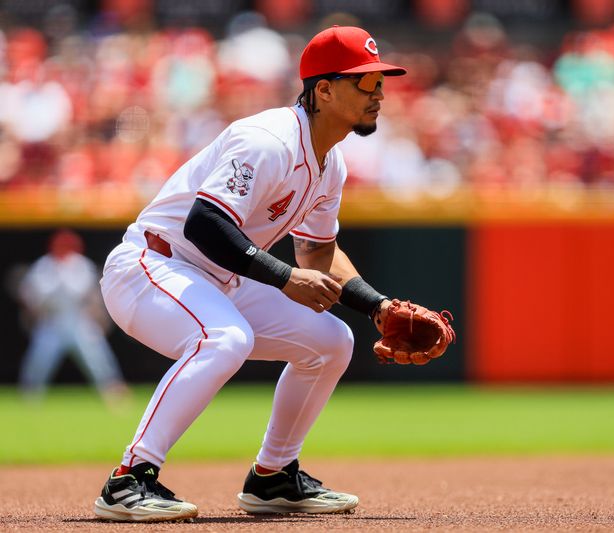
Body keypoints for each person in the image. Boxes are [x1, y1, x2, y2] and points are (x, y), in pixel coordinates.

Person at [93, 26, 407, 522]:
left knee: (331, 341)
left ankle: (273, 477)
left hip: (218, 279)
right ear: (323, 89)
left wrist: (380, 306)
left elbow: (318, 254)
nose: (379, 94)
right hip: (152, 265)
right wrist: (284, 279)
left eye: (380, 81)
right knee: (226, 337)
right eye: (364, 82)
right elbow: (205, 224)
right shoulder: (268, 140)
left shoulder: (331, 165)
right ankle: (129, 479)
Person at [17, 228, 129, 405]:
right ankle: (30, 395)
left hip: (78, 319)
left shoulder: (81, 264)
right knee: (40, 359)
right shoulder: (44, 265)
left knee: (97, 358)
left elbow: (85, 292)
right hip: (53, 320)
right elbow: (31, 294)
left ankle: (113, 393)